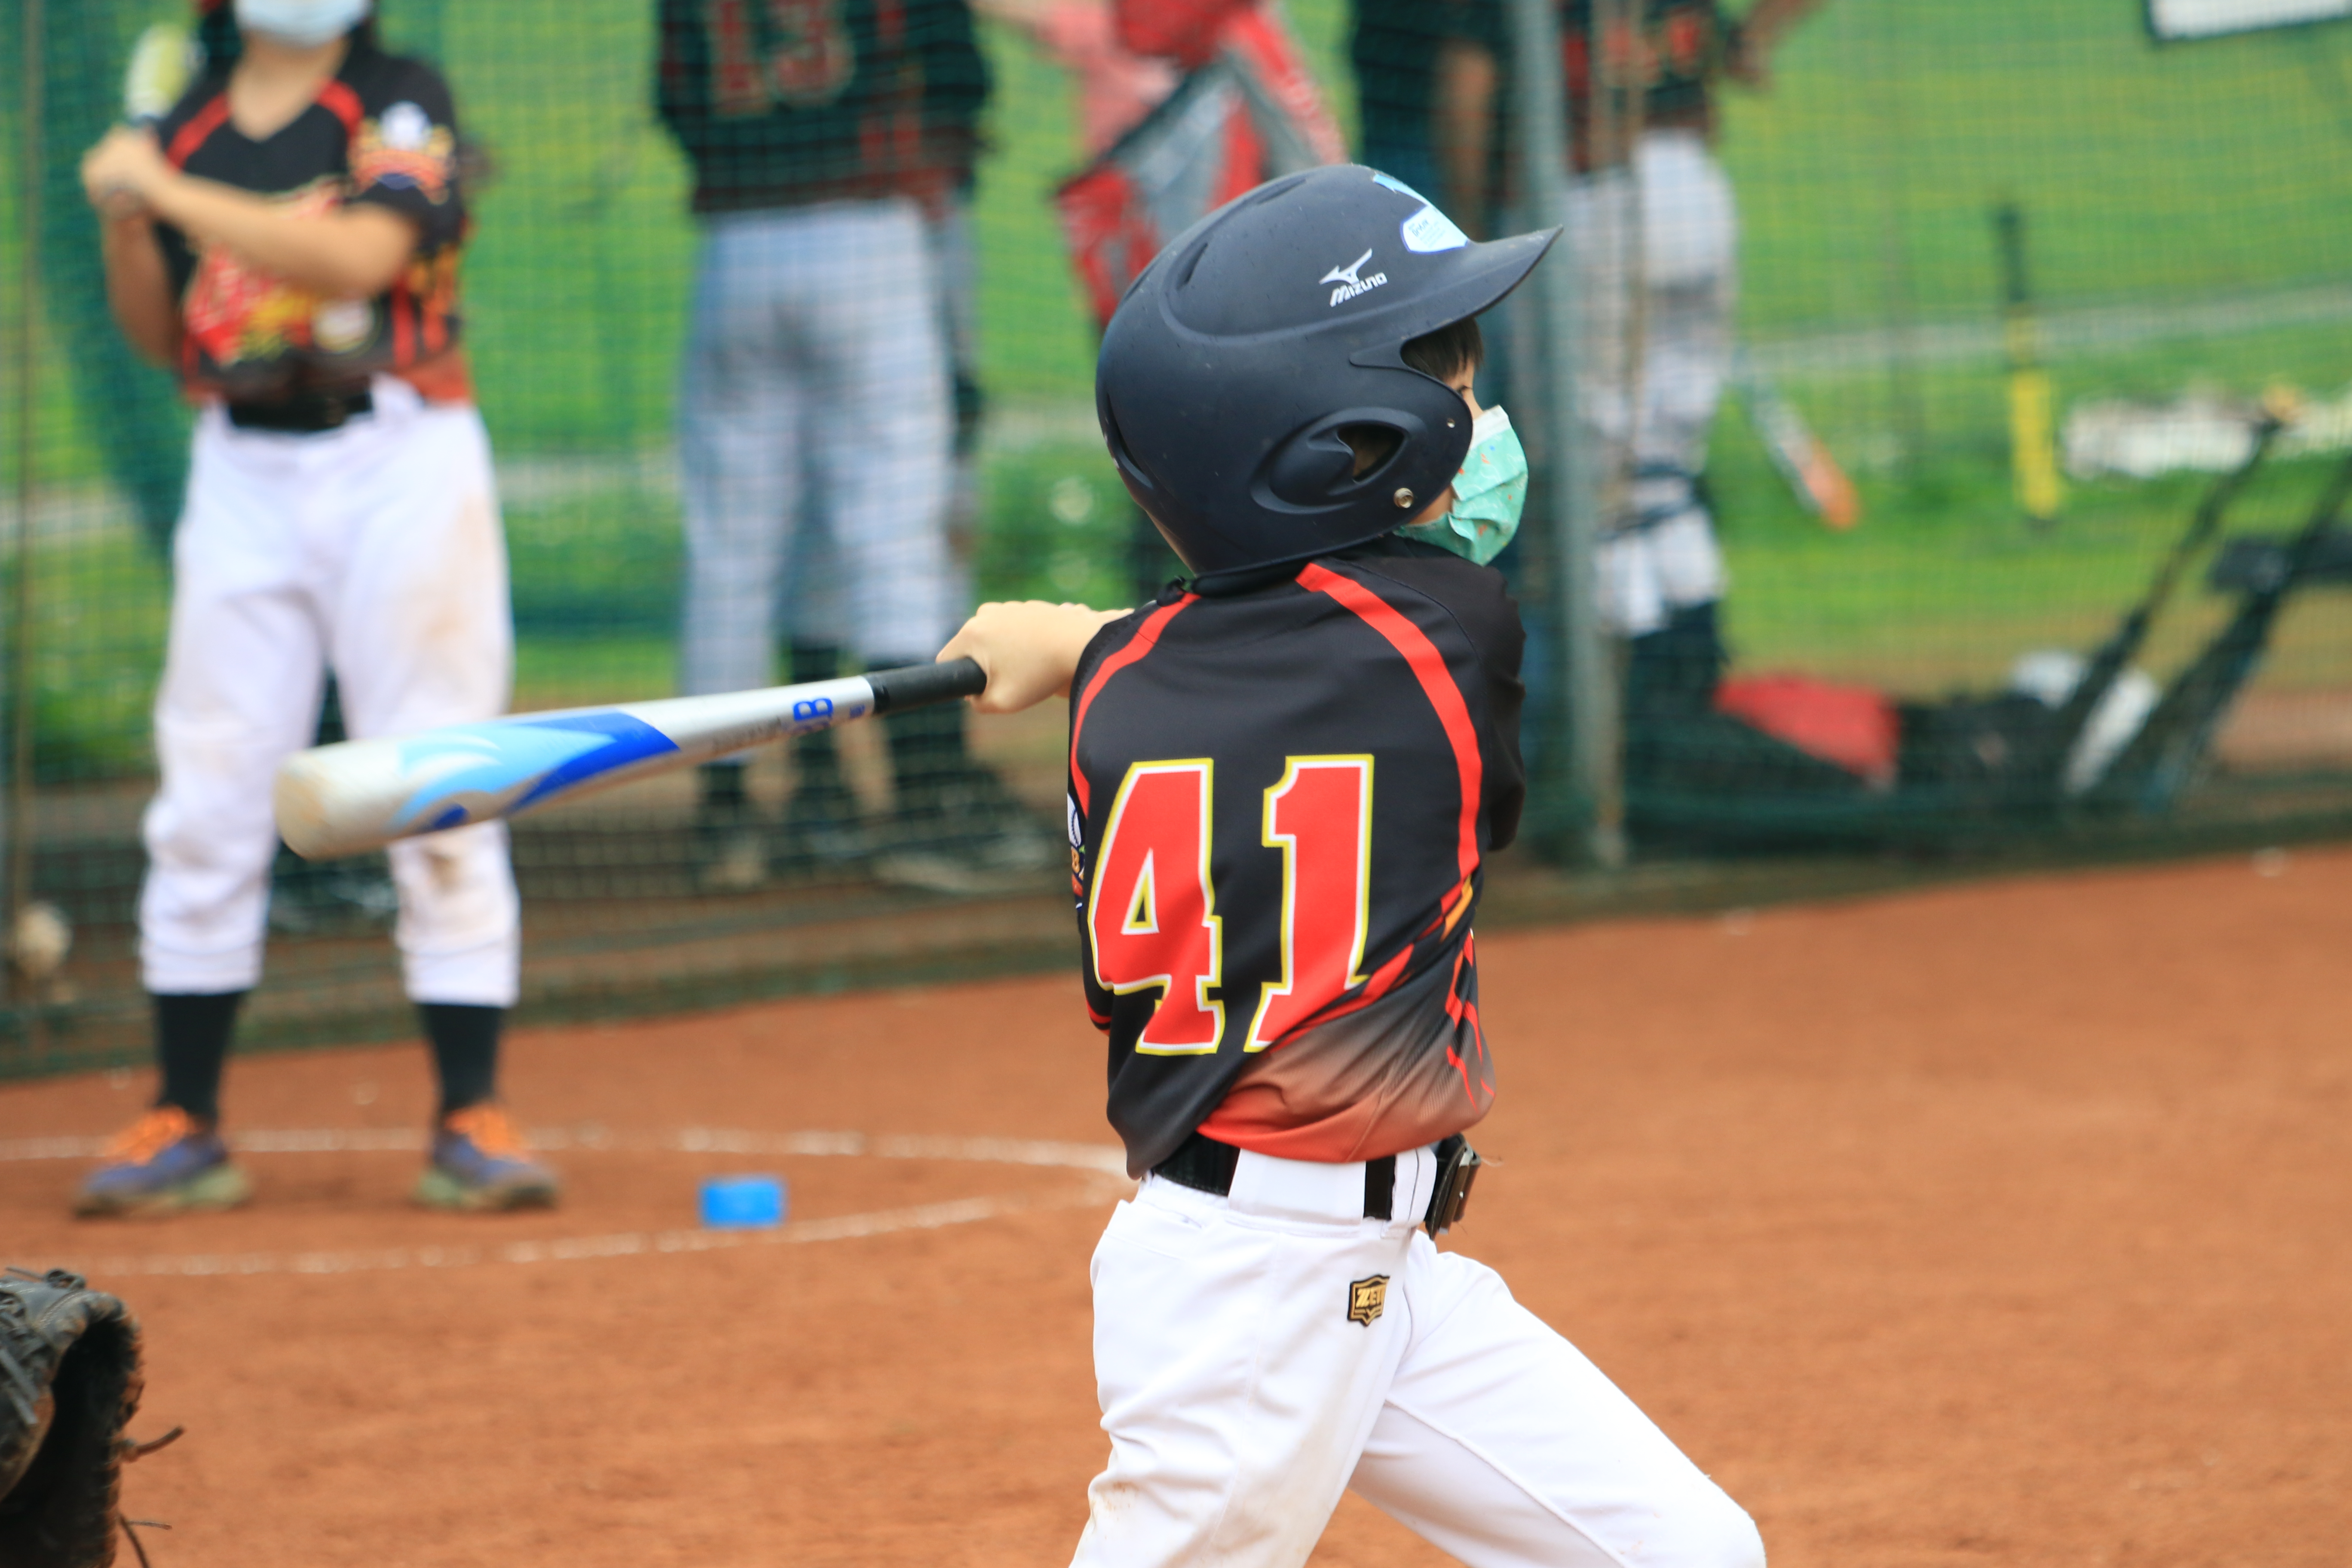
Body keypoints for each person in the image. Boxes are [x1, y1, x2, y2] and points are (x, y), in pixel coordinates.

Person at [936, 165, 1764, 1568]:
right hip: (1258, 1289)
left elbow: (1227, 650)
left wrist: (1087, 645)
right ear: (1341, 444)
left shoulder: (1127, 695)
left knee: (1688, 1551)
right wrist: (1097, 637)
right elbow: (1293, 647)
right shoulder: (1449, 630)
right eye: (1454, 390)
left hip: (1373, 1274)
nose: (1483, 426)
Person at [71, 0, 557, 1216]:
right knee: (211, 781)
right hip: (242, 467)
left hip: (400, 454)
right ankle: (184, 1116)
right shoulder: (188, 119)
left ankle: (470, 1112)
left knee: (439, 770)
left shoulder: (398, 95)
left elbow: (362, 260)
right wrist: (128, 219)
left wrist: (161, 189)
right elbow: (157, 333)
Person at [656, 0, 1057, 896]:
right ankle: (924, 804)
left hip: (737, 251)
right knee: (893, 539)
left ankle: (727, 819)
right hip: (869, 238)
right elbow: (953, 75)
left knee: (729, 552)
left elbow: (675, 99)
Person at [1407, 0, 1831, 801]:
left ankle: (1627, 738)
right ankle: (1688, 688)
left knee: (1593, 485)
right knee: (1667, 467)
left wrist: (1467, 240)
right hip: (1695, 190)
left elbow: (1467, 83)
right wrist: (1745, 40)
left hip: (1579, 203)